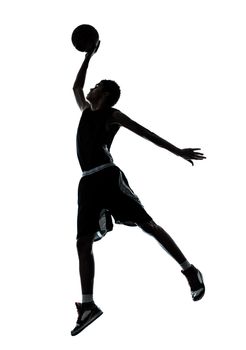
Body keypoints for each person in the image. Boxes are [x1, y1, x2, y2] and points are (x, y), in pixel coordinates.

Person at [71, 41, 206, 336]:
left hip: (108, 176)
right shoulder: (85, 111)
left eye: (96, 87)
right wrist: (87, 57)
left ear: (105, 95)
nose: (90, 89)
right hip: (87, 182)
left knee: (148, 225)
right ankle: (88, 305)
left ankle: (189, 269)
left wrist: (178, 151)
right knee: (82, 243)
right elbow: (76, 88)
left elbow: (147, 134)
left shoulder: (112, 115)